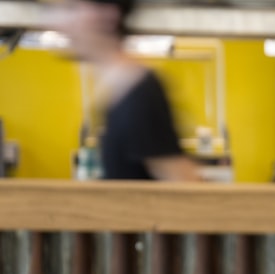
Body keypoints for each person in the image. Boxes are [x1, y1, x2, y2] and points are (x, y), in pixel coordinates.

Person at [53, 0, 199, 181]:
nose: (58, 23)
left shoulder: (140, 93)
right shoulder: (119, 89)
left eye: (72, 9)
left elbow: (182, 179)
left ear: (108, 14)